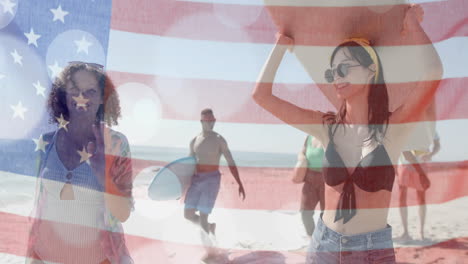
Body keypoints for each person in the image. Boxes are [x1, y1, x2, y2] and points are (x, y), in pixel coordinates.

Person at [252, 5, 442, 262]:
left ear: (371, 70)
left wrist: (412, 25)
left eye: (345, 68)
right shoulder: (326, 127)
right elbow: (261, 97)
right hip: (323, 245)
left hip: (372, 251)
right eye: (332, 71)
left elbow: (433, 74)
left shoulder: (392, 129)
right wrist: (280, 47)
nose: (336, 77)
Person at [26, 62, 134, 264]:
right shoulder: (46, 142)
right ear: (62, 95)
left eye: (90, 91)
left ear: (103, 97)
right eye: (74, 89)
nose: (81, 97)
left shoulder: (117, 144)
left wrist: (103, 177)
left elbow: (123, 213)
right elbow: (40, 208)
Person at [184, 108, 246, 235]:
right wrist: (181, 185)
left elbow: (231, 161)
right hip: (196, 180)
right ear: (201, 122)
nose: (211, 123)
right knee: (188, 214)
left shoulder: (219, 139)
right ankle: (209, 227)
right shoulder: (194, 141)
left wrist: (239, 183)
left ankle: (209, 249)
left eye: (213, 121)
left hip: (211, 180)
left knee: (203, 216)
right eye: (208, 121)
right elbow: (188, 165)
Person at [397, 132, 440, 241]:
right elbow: (403, 149)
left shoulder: (429, 127)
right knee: (402, 198)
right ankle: (406, 232)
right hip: (405, 165)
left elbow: (437, 144)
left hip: (419, 164)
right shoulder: (407, 125)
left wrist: (430, 155)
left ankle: (420, 232)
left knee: (421, 199)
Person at [292, 135, 325, 238]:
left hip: (328, 180)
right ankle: (312, 237)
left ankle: (325, 240)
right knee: (305, 212)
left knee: (327, 214)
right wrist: (302, 158)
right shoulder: (309, 136)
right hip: (310, 179)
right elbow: (302, 151)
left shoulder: (332, 135)